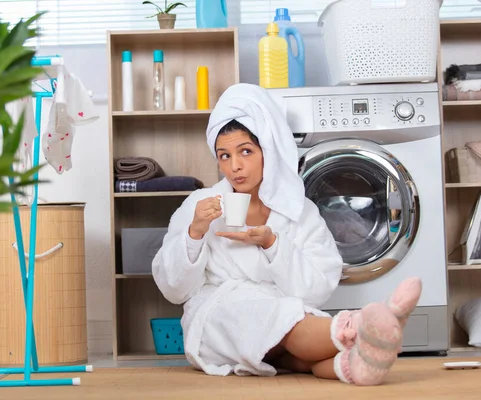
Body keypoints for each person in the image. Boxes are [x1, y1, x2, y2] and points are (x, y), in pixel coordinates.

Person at [152, 83, 422, 386]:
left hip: (282, 318)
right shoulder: (199, 206)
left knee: (295, 349)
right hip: (217, 318)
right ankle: (364, 325)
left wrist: (272, 244)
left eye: (245, 151)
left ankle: (351, 365)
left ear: (268, 149)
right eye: (224, 156)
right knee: (277, 318)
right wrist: (195, 232)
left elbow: (318, 287)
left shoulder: (299, 211)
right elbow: (174, 289)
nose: (235, 166)